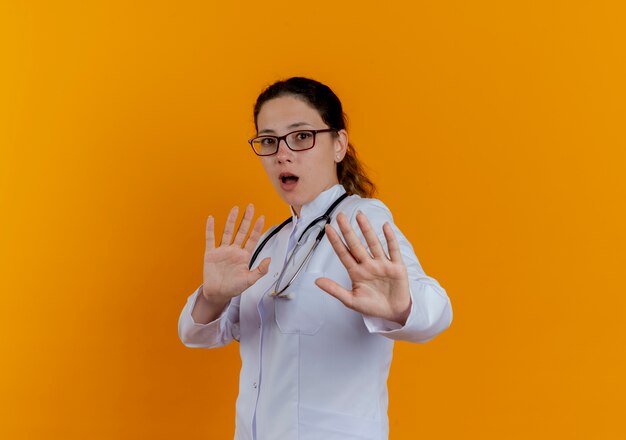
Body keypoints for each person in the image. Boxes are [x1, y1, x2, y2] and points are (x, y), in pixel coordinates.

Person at [178, 77, 452, 440]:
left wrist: (402, 306)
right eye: (269, 140)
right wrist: (213, 298)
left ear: (339, 145)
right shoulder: (268, 245)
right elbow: (195, 334)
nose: (282, 153)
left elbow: (436, 310)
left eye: (301, 136)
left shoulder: (360, 221)